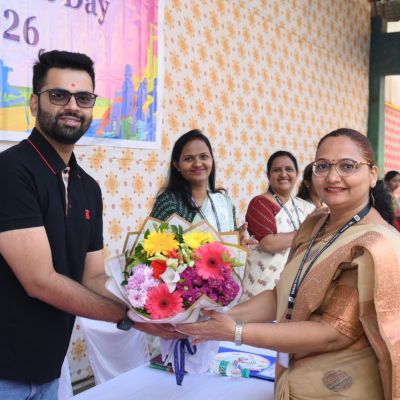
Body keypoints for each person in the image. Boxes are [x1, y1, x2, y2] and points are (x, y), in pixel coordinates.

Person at [178, 128, 400, 400]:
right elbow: (281, 296)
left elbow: (333, 333)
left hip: (338, 389)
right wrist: (216, 318)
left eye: (347, 166)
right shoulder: (314, 225)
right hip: (290, 378)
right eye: (322, 166)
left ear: (373, 174)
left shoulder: (374, 244)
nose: (332, 177)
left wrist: (236, 332)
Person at [0, 50, 171, 400]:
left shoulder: (88, 188)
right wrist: (129, 316)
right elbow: (39, 281)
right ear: (34, 103)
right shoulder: (11, 171)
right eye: (58, 95)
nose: (72, 106)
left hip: (48, 370)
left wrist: (158, 303)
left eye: (83, 98)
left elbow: (92, 278)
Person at [150, 129, 253, 243]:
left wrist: (238, 241)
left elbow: (228, 246)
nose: (197, 164)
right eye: (188, 158)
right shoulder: (169, 202)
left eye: (204, 156)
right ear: (177, 165)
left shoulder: (224, 202)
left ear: (211, 160)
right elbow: (150, 247)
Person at [241, 151, 315, 300]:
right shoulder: (260, 203)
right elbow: (269, 243)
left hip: (296, 285)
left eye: (289, 169)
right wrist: (308, 231)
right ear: (268, 175)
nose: (283, 174)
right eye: (277, 170)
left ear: (296, 174)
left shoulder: (306, 207)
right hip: (263, 286)